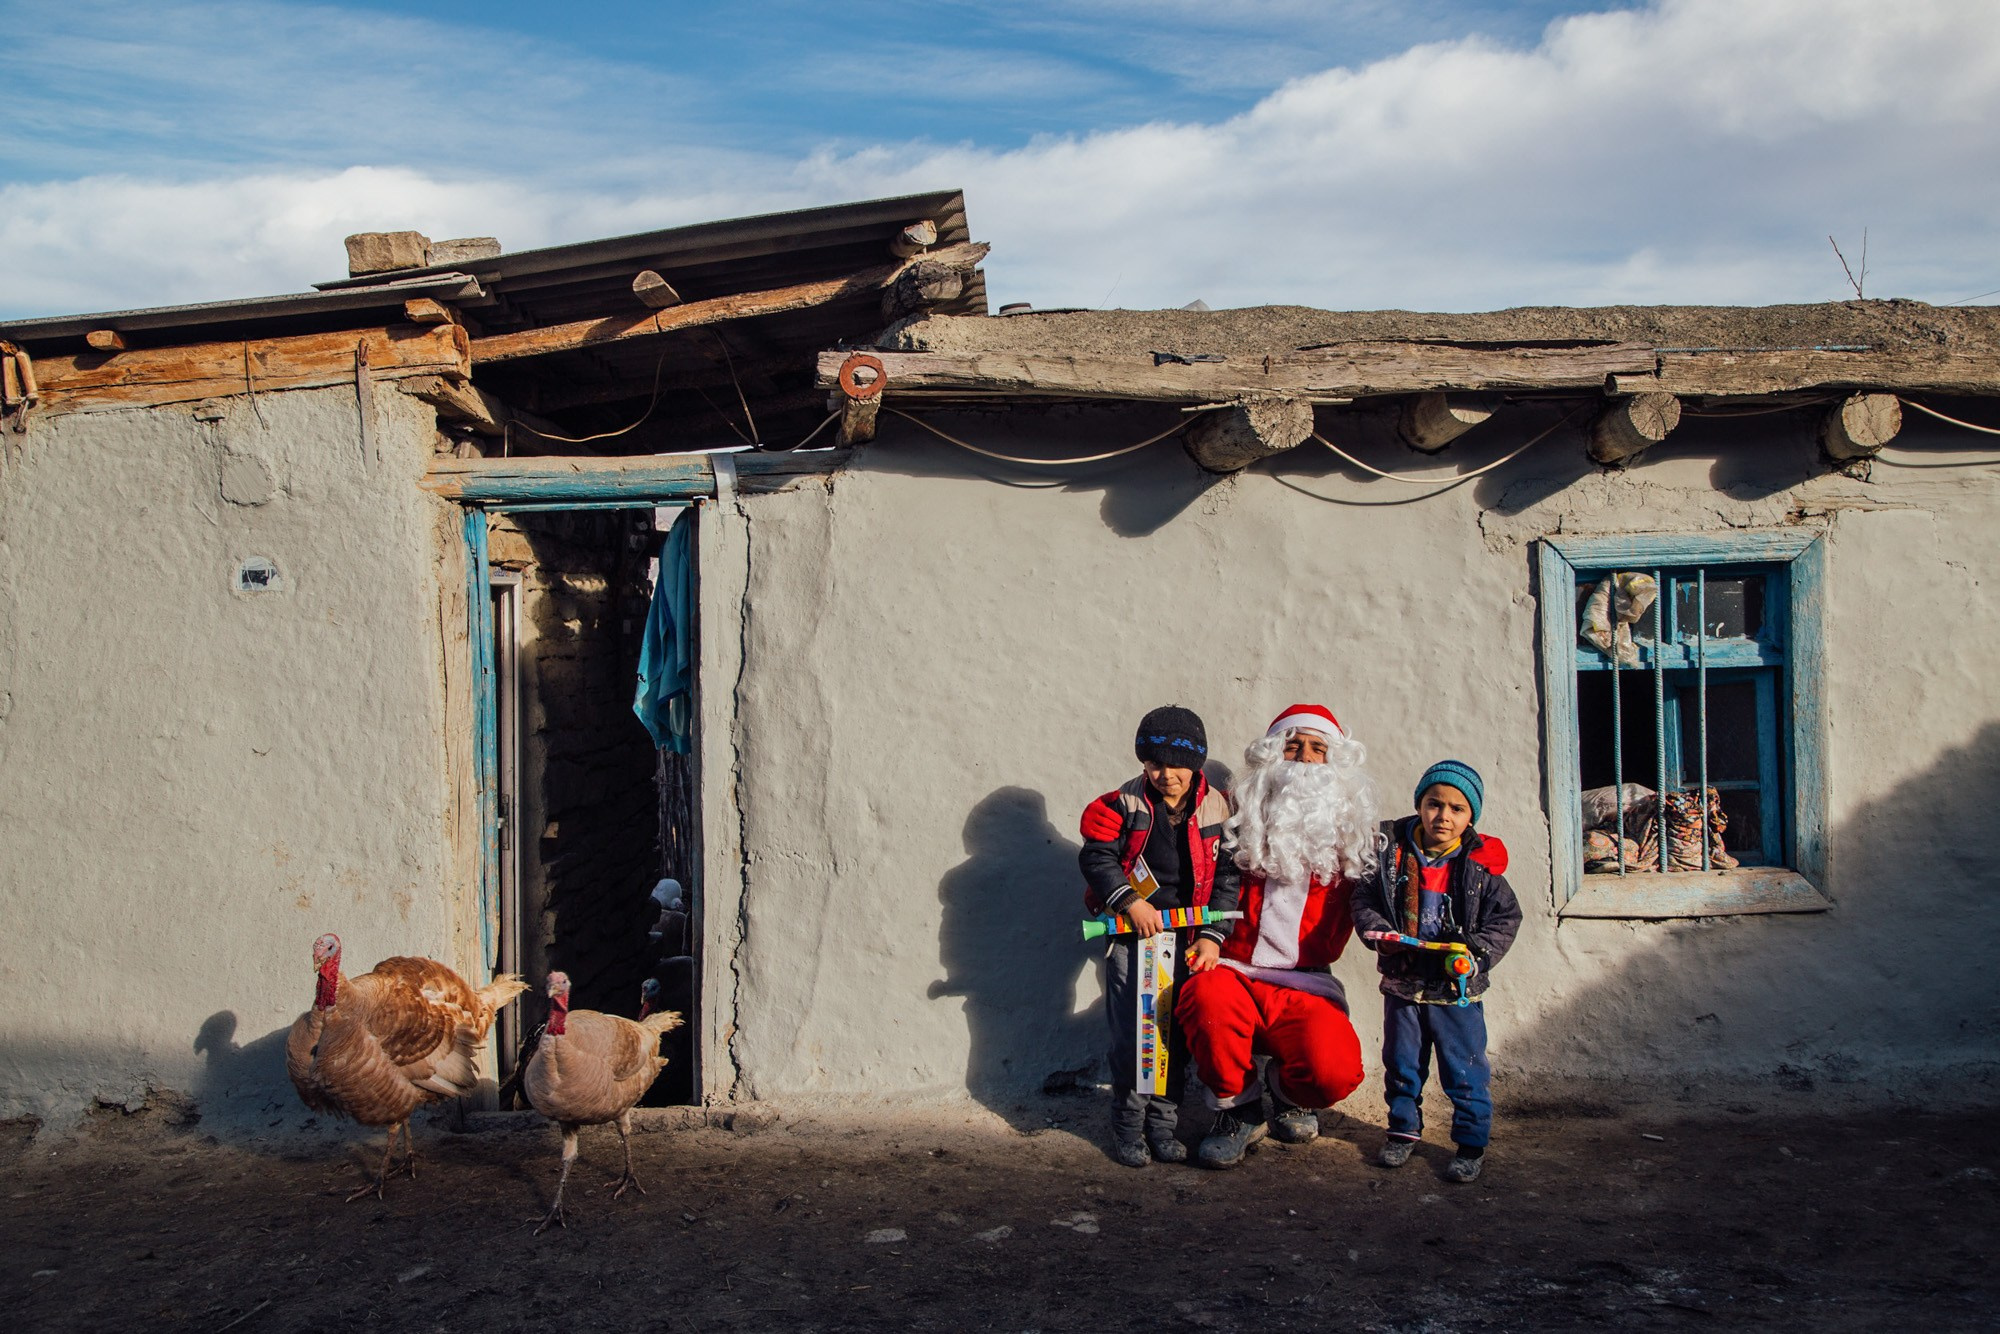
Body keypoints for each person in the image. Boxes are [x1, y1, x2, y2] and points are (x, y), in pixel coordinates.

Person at [1175, 705, 1377, 1169]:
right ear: (1270, 757)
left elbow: (1430, 850)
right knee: (1204, 1001)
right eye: (1292, 745)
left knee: (1335, 1071)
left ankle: (1288, 1094)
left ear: (1335, 764)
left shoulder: (1353, 837)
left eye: (1317, 748)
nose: (1303, 758)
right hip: (1231, 972)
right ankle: (1239, 1111)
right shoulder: (1231, 825)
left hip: (1307, 985)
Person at [1078, 705, 1239, 1168]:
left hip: (1187, 939)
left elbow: (1229, 878)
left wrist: (1212, 936)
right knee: (1135, 1034)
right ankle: (1129, 1129)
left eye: (1178, 764)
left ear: (1198, 762)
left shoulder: (1221, 808)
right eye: (1154, 763)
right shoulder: (1120, 805)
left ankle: (1163, 1126)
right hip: (1134, 935)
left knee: (1171, 1035)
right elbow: (1097, 859)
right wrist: (1130, 901)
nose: (1166, 774)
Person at [1352, 760, 1522, 1183]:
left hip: (1455, 986)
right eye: (1434, 804)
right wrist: (1378, 932)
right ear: (1419, 804)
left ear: (1470, 817)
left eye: (1457, 809)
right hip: (1403, 982)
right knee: (1402, 1063)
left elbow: (1506, 919)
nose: (1443, 816)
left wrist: (1476, 954)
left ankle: (1469, 1144)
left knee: (1464, 1069)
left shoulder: (1481, 866)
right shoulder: (1390, 855)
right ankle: (1402, 1132)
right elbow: (1363, 899)